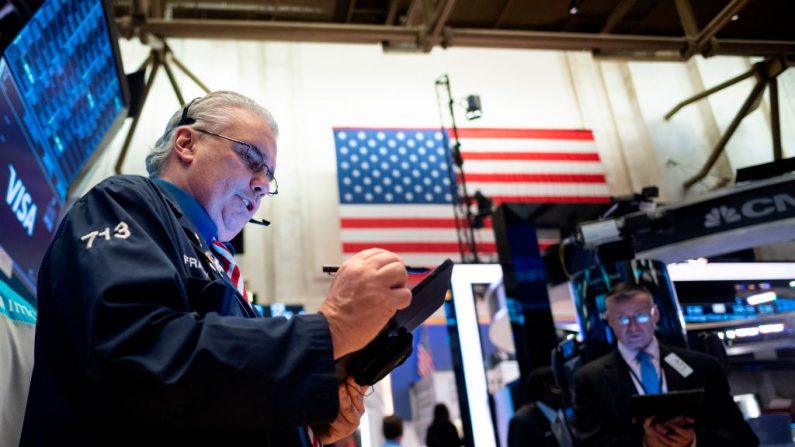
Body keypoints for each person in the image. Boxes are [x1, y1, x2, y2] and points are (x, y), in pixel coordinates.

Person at [19, 91, 412, 446]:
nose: (261, 184)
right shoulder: (125, 202)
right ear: (186, 143)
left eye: (269, 176)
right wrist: (331, 330)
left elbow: (209, 399)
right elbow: (139, 358)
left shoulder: (216, 265)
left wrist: (302, 429)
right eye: (250, 158)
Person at [573, 283, 759, 447]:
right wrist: (645, 443)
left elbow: (742, 438)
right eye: (622, 318)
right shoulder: (590, 379)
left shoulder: (703, 366)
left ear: (655, 315)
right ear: (609, 321)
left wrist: (693, 441)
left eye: (641, 317)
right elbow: (587, 443)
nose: (633, 327)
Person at [508, 366, 572, 447]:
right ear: (547, 390)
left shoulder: (563, 412)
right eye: (562, 385)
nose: (569, 390)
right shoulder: (522, 423)